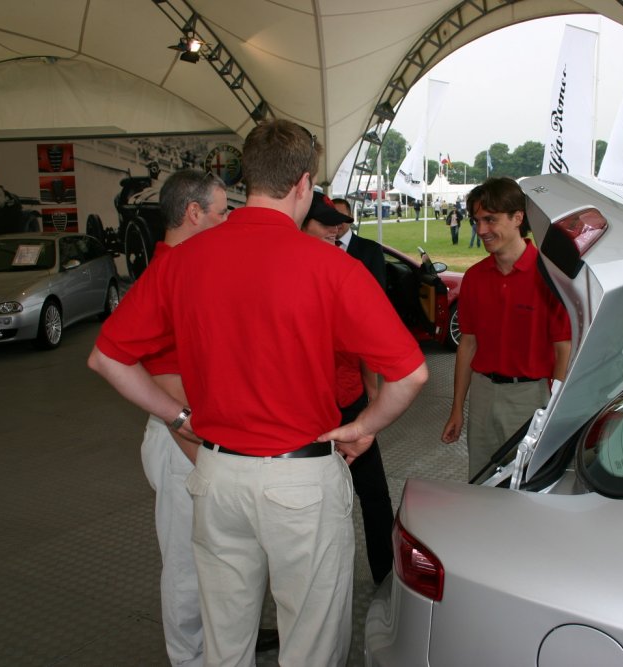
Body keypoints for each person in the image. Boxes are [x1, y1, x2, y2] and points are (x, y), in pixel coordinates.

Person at [88, 118, 428, 667]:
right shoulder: (328, 266)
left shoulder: (184, 260)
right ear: (304, 184)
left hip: (217, 478)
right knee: (310, 646)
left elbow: (107, 358)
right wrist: (362, 428)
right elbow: (411, 374)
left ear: (247, 178)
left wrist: (177, 416)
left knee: (225, 645)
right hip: (302, 480)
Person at [138, 169, 228, 667]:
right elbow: (168, 391)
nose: (229, 221)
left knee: (212, 562)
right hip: (183, 442)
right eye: (222, 213)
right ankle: (189, 660)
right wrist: (209, 461)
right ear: (193, 213)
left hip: (198, 439)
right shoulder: (168, 279)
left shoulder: (185, 270)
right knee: (187, 570)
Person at [440, 177, 571, 480]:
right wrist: (457, 408)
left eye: (490, 219)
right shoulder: (474, 277)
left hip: (530, 397)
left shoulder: (549, 276)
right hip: (484, 394)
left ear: (517, 218)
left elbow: (563, 347)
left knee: (525, 483)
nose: (482, 230)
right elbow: (467, 345)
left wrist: (554, 410)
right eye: (476, 221)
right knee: (482, 480)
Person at [328, 195, 394, 584]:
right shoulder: (298, 265)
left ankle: (385, 575)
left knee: (374, 495)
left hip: (350, 398)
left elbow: (370, 330)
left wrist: (372, 392)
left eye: (338, 221)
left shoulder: (363, 256)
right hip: (311, 410)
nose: (333, 229)